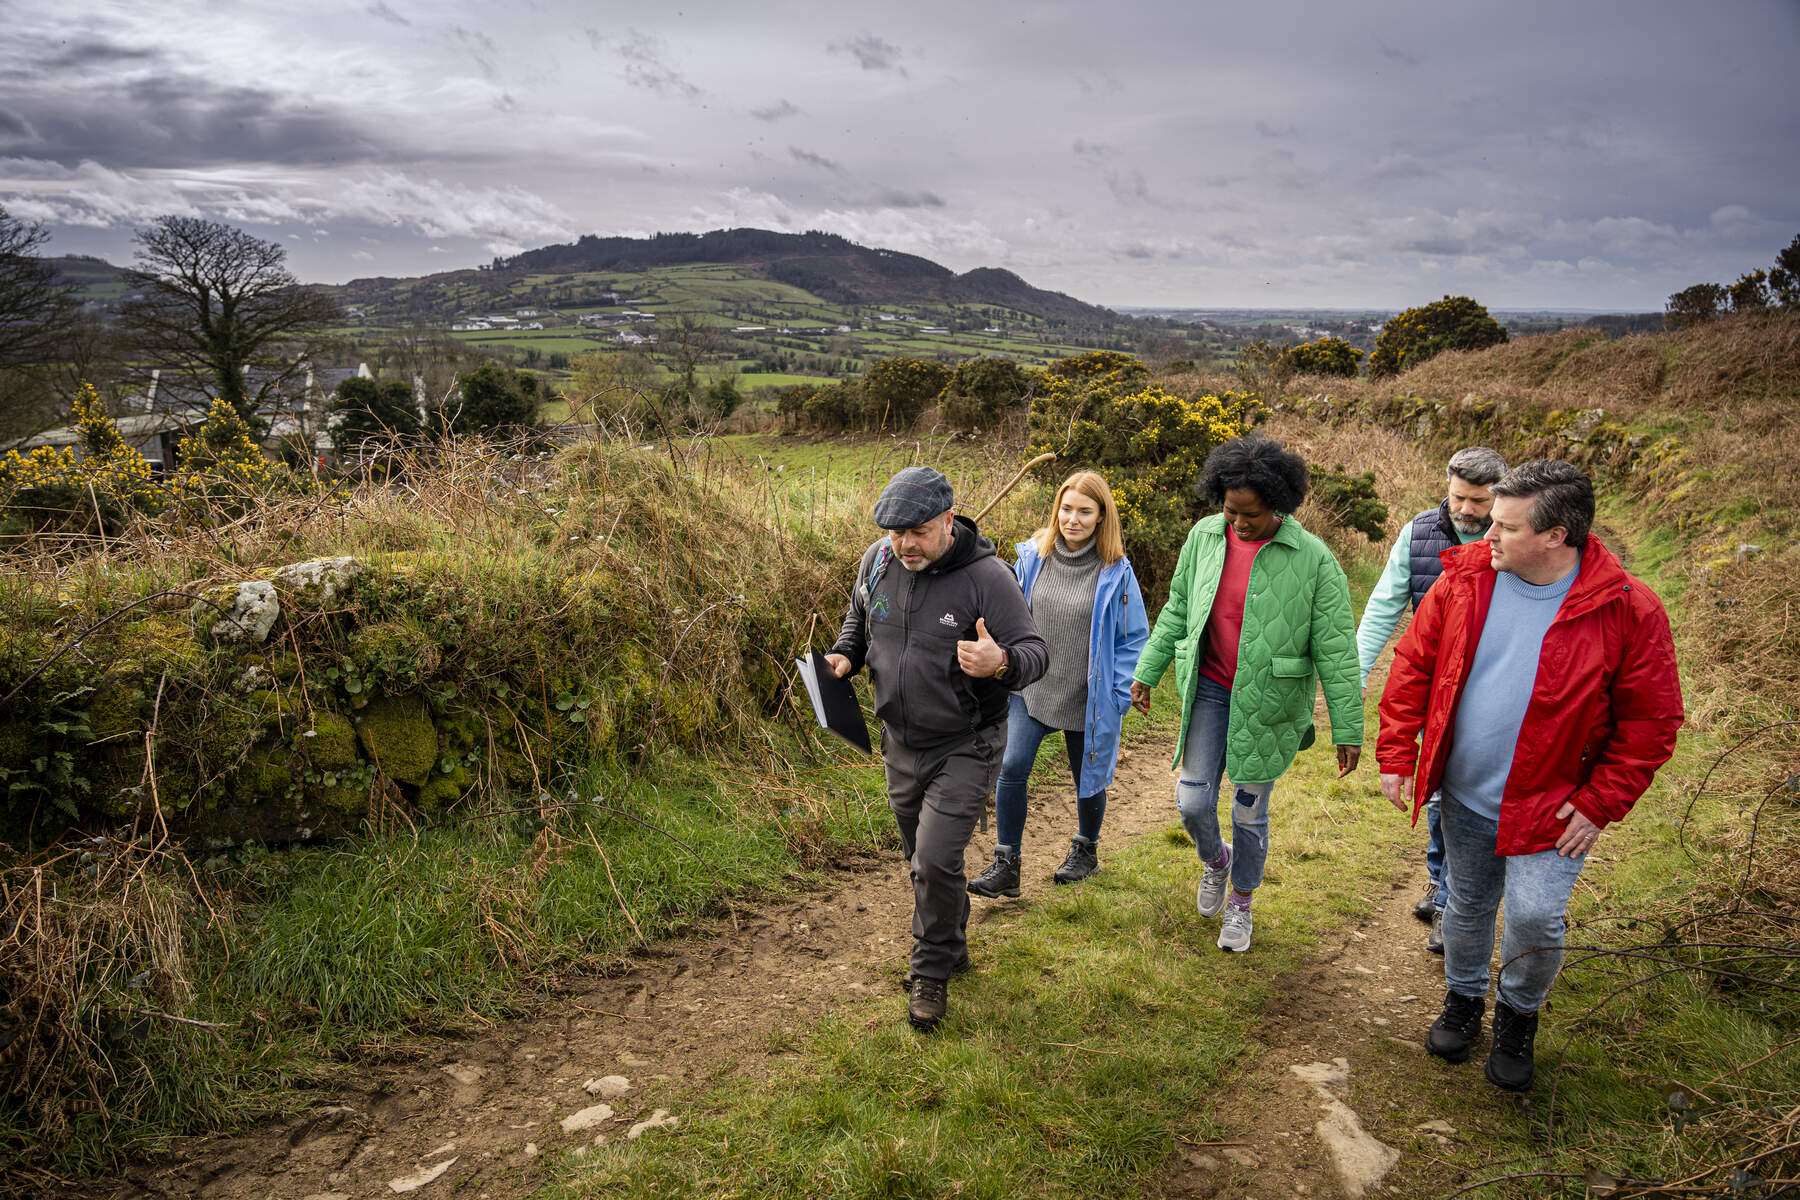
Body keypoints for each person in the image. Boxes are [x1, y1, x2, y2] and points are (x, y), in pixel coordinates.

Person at [1377, 459, 1683, 1091]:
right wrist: (1398, 751)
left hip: (1556, 807)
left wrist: (1600, 803)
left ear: (1555, 536)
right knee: (1466, 904)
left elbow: (1651, 722)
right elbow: (1414, 666)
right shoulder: (1464, 580)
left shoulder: (1628, 608)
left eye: (1505, 527)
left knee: (1536, 917)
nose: (1485, 534)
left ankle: (1518, 1016)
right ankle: (1463, 999)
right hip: (1466, 793)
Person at [825, 466, 1048, 1031]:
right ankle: (952, 942)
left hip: (967, 744)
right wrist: (845, 655)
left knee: (933, 859)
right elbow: (859, 621)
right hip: (899, 742)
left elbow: (1035, 652)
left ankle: (930, 971)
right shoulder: (878, 561)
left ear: (948, 520)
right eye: (895, 532)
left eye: (918, 532)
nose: (905, 545)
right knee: (922, 861)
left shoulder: (988, 577)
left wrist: (1000, 661)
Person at [1130, 436, 1363, 954]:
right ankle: (1218, 861)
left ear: (1278, 505)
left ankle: (1241, 902)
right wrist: (1148, 670)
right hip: (1209, 690)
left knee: (1248, 813)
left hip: (1269, 703)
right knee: (1193, 802)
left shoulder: (1314, 560)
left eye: (1251, 514)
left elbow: (1337, 649)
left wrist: (1348, 728)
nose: (1238, 522)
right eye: (1230, 510)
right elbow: (1177, 608)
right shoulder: (1204, 538)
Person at [1355, 446, 1508, 954]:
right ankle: (1443, 883)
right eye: (1459, 497)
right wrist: (1354, 674)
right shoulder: (1419, 532)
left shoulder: (1512, 537)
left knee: (1462, 797)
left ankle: (1448, 897)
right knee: (1439, 792)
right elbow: (1384, 604)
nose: (1467, 509)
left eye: (1480, 501)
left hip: (1489, 689)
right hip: (1435, 686)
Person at [967, 470, 1149, 898]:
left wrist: (1118, 693)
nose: (1073, 519)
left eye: (1084, 511)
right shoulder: (1033, 557)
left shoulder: (1116, 572)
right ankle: (1007, 863)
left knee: (1088, 775)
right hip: (1031, 686)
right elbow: (1005, 611)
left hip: (1087, 694)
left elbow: (1132, 638)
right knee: (1012, 767)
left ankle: (1086, 851)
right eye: (1066, 509)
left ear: (1101, 516)